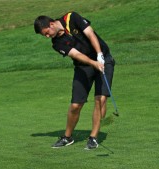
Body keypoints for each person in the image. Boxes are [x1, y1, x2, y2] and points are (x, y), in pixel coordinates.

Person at [34, 11, 115, 150]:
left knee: (100, 99)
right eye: (44, 35)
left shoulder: (71, 18)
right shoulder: (56, 44)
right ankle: (67, 137)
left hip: (104, 59)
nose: (47, 36)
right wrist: (94, 63)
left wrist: (99, 54)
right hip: (83, 67)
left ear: (51, 24)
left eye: (46, 33)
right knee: (75, 105)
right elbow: (76, 54)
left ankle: (93, 138)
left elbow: (91, 34)